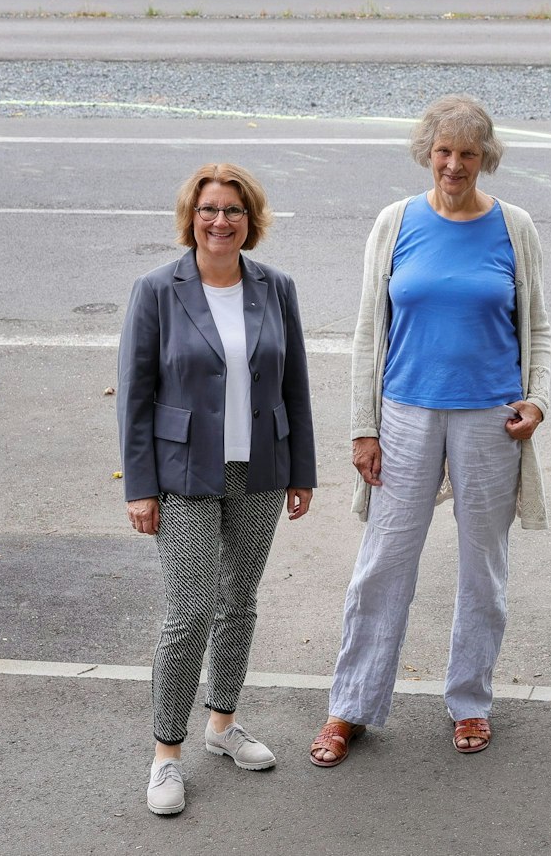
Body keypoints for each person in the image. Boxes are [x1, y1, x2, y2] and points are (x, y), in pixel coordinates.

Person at [309, 94, 551, 767]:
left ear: (486, 158)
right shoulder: (396, 223)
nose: (455, 164)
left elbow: (538, 327)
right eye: (444, 151)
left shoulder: (515, 226)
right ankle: (350, 706)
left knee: (484, 567)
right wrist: (364, 427)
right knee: (382, 564)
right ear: (427, 153)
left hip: (490, 420)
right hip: (404, 414)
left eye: (468, 153)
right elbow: (367, 333)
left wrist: (537, 401)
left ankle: (470, 700)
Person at [118, 163, 316, 816]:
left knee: (240, 600)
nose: (220, 221)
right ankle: (166, 753)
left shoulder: (275, 288)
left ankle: (223, 725)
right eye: (209, 209)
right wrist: (140, 486)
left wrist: (301, 469)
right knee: (191, 610)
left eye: (233, 210)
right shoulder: (157, 290)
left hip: (258, 467)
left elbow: (295, 387)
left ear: (249, 220)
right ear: (192, 217)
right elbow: (137, 397)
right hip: (184, 472)